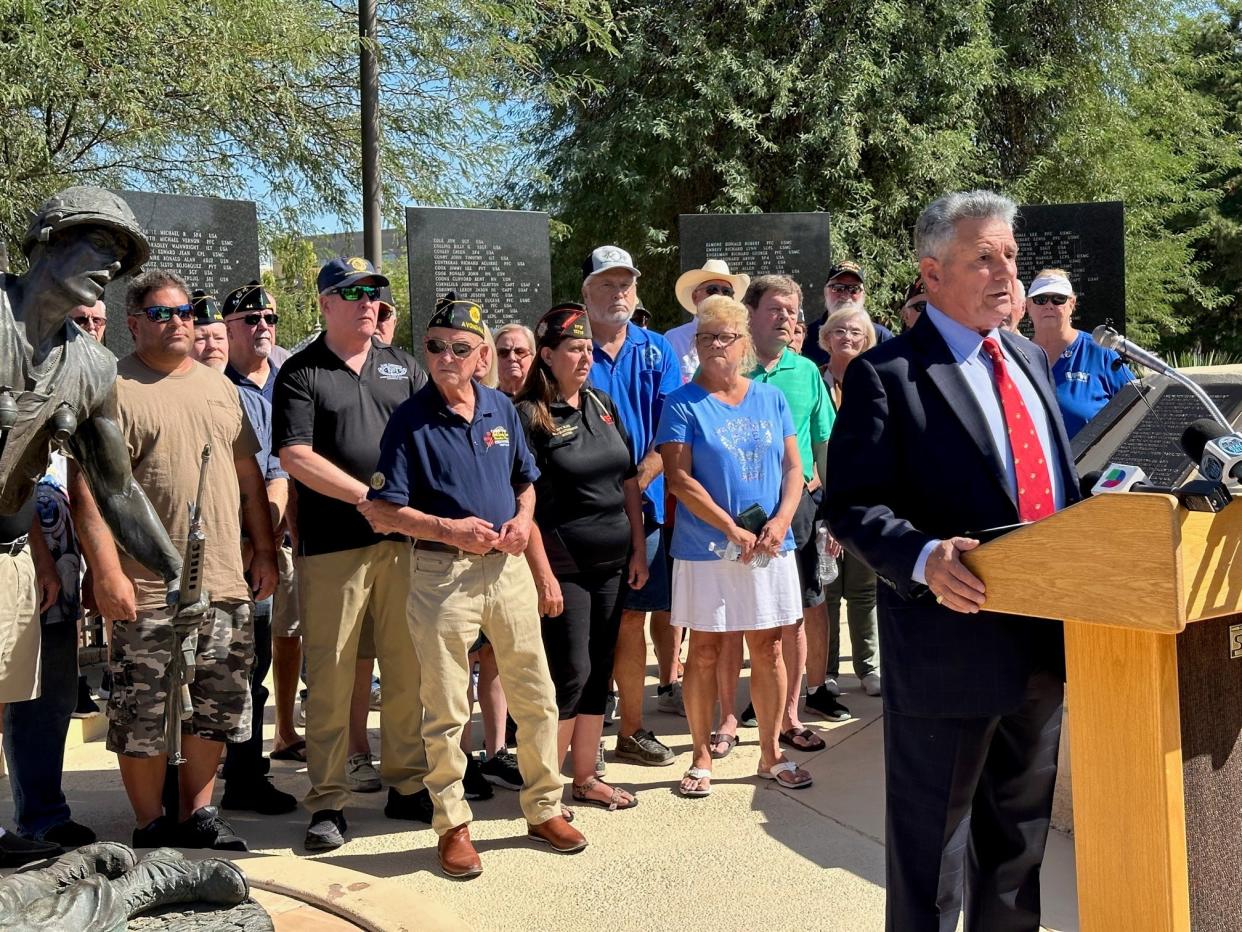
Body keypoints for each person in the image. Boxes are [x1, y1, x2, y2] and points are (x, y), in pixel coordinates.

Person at [824, 190, 1078, 931]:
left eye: (1010, 256)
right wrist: (926, 555)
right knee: (931, 861)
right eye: (984, 258)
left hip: (1039, 644)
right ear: (931, 274)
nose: (1007, 274)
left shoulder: (1029, 356)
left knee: (1019, 852)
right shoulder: (887, 375)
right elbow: (854, 505)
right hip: (947, 651)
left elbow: (1051, 487)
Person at [360, 294, 586, 879]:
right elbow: (384, 510)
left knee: (536, 695)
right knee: (445, 708)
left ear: (482, 356)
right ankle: (453, 826)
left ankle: (543, 809)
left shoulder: (502, 409)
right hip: (441, 575)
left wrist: (522, 519)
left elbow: (526, 483)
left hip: (506, 572)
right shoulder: (409, 420)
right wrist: (448, 530)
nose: (445, 357)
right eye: (434, 346)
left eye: (459, 348)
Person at [71, 268, 278, 851]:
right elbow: (88, 487)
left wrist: (263, 549)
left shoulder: (220, 388)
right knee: (143, 711)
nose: (179, 323)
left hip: (222, 581)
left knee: (215, 705)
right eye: (162, 314)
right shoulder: (110, 388)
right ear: (133, 323)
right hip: (147, 584)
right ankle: (149, 823)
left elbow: (248, 477)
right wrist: (108, 572)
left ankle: (197, 813)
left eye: (186, 312)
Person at [273, 256, 432, 852]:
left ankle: (406, 783)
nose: (369, 301)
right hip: (333, 547)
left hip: (402, 546)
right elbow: (295, 456)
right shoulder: (302, 372)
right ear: (325, 304)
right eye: (353, 292)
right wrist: (370, 498)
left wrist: (414, 512)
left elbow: (429, 438)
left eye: (374, 292)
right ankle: (329, 799)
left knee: (405, 668)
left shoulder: (404, 367)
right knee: (334, 674)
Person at [656, 295, 811, 797]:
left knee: (766, 649)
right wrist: (731, 528)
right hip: (708, 549)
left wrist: (782, 518)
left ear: (744, 342)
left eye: (725, 336)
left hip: (769, 544)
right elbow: (679, 479)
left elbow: (793, 466)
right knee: (704, 650)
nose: (715, 346)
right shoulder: (681, 402)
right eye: (705, 337)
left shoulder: (771, 398)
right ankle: (701, 757)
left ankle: (770, 753)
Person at [517, 303, 647, 811]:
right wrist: (543, 575)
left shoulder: (602, 403)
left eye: (588, 348)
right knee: (568, 672)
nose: (584, 356)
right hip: (563, 566)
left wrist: (638, 547)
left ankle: (586, 775)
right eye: (573, 348)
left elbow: (629, 481)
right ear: (546, 355)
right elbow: (521, 501)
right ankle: (543, 790)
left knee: (598, 669)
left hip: (613, 562)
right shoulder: (530, 415)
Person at [186, 286, 298, 816]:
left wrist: (266, 545)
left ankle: (247, 775)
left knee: (249, 667)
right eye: (249, 318)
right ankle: (183, 786)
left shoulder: (287, 380)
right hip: (207, 553)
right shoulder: (209, 389)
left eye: (269, 317)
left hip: (259, 548)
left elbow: (277, 476)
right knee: (192, 672)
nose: (262, 326)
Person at [714, 275, 836, 756]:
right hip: (738, 514)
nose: (786, 318)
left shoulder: (807, 372)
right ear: (751, 314)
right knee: (732, 620)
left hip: (796, 511)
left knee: (794, 617)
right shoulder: (723, 372)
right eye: (775, 309)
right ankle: (727, 718)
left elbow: (824, 441)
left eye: (792, 310)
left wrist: (830, 507)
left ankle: (788, 717)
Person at [583, 246, 683, 766]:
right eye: (606, 283)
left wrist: (636, 479)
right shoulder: (570, 348)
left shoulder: (657, 348)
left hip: (647, 508)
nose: (618, 292)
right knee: (589, 621)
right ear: (586, 292)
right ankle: (585, 737)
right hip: (586, 511)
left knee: (632, 620)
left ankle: (632, 728)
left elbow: (672, 426)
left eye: (626, 282)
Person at [815, 304, 883, 709]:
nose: (848, 338)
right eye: (839, 331)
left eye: (857, 332)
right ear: (825, 338)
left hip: (869, 499)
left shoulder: (877, 380)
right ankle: (826, 671)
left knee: (863, 589)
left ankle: (869, 667)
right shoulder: (813, 381)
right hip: (824, 497)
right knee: (828, 588)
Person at [1027, 268, 1133, 438]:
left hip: (1089, 462)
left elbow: (1136, 407)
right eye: (1040, 299)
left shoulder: (1100, 353)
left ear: (1072, 304)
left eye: (1058, 299)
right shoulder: (1015, 356)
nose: (1049, 305)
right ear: (1028, 305)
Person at [663, 259, 750, 385]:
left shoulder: (742, 338)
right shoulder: (673, 338)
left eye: (727, 292)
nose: (720, 295)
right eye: (713, 289)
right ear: (695, 296)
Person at [803, 261, 892, 368]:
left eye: (854, 289)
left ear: (863, 295)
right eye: (838, 288)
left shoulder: (882, 337)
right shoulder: (806, 336)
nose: (845, 295)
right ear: (825, 292)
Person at [494, 323, 536, 396]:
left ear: (532, 357)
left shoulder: (545, 400)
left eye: (520, 352)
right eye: (503, 352)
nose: (512, 358)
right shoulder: (483, 401)